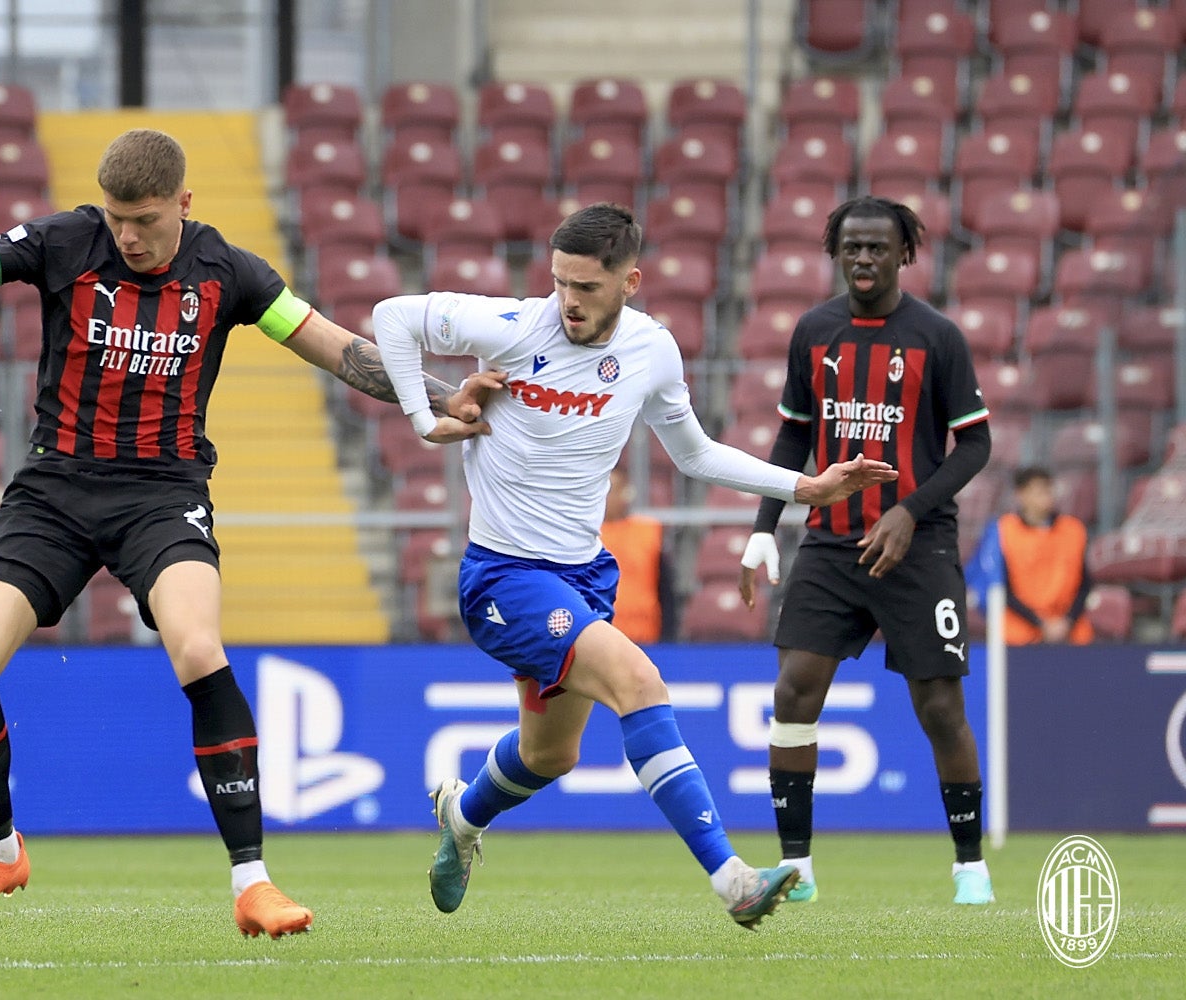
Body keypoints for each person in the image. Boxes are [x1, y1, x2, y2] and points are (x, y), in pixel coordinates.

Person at [0, 128, 495, 937]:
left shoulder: (231, 272)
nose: (128, 236)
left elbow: (338, 349)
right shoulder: (64, 240)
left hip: (162, 493)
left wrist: (443, 396)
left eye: (143, 219)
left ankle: (254, 883)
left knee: (197, 648)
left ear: (183, 203)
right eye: (116, 219)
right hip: (53, 491)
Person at [372, 202, 899, 929]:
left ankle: (461, 817)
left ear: (632, 281)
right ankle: (733, 879)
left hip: (584, 576)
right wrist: (423, 418)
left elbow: (694, 453)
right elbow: (392, 316)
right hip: (504, 577)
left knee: (549, 757)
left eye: (587, 287)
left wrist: (803, 487)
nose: (569, 301)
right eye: (560, 282)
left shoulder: (652, 351)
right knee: (640, 682)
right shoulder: (517, 326)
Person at [737, 195, 995, 906]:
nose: (863, 260)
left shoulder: (937, 337)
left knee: (940, 706)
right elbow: (793, 437)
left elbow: (975, 444)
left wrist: (911, 512)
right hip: (830, 543)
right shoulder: (813, 332)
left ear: (904, 253)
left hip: (918, 545)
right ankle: (799, 865)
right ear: (836, 250)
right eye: (851, 247)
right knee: (794, 688)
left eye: (877, 248)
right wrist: (765, 527)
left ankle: (969, 864)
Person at [980, 466, 1094, 645]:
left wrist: (1068, 621)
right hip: (1020, 635)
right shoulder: (1003, 531)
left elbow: (1085, 584)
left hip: (1070, 633)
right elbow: (1001, 585)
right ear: (1020, 495)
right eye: (1038, 491)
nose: (1046, 496)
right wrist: (1040, 623)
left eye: (1048, 489)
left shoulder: (1074, 530)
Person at [598, 464, 674, 643]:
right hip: (600, 640)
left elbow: (666, 591)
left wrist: (670, 637)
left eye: (611, 491)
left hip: (646, 638)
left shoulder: (648, 532)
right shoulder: (583, 538)